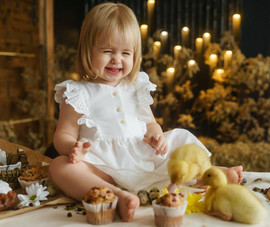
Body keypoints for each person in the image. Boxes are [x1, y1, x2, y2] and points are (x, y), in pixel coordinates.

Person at [49, 2, 243, 222]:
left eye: (125, 53)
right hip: (101, 164)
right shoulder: (76, 92)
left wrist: (156, 134)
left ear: (135, 54)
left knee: (180, 138)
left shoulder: (136, 86)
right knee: (59, 166)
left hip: (142, 155)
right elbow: (62, 135)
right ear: (87, 50)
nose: (117, 59)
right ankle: (116, 195)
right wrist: (74, 149)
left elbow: (150, 123)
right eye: (107, 51)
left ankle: (210, 175)